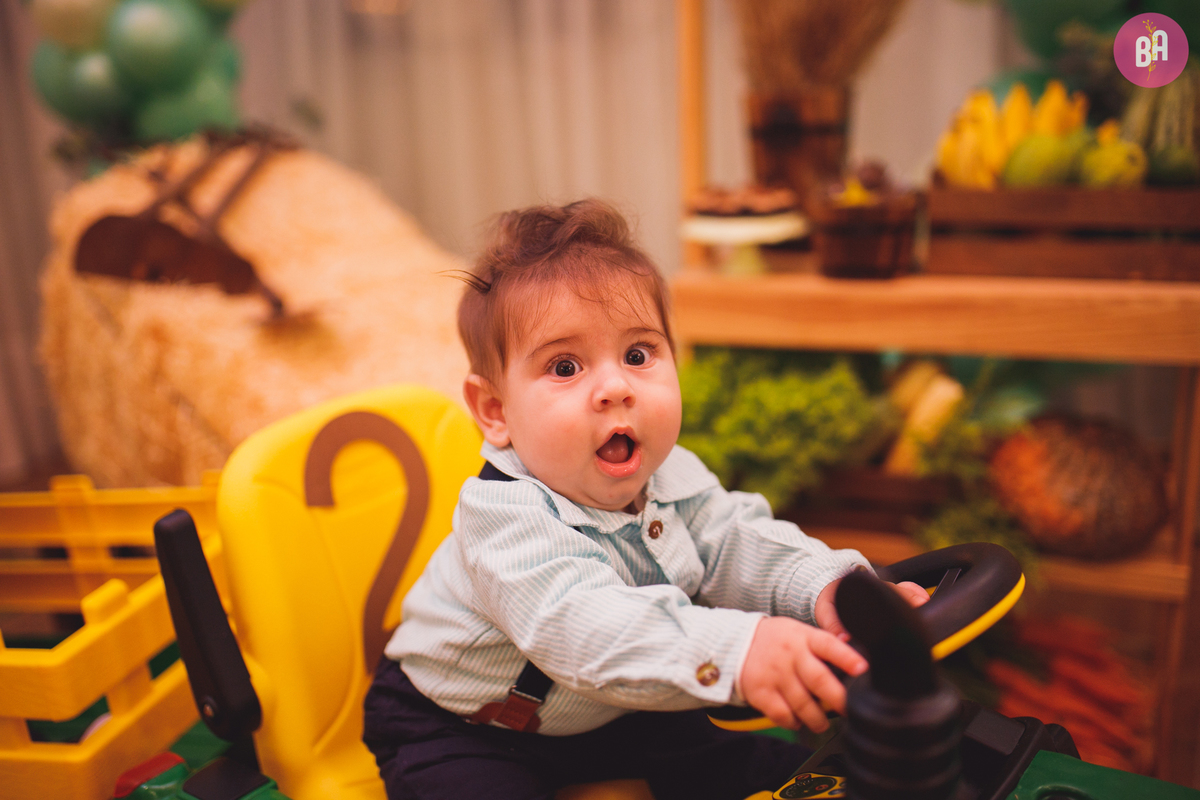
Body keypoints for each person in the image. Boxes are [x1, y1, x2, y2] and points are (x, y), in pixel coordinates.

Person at [363, 199, 927, 800]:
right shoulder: (502, 519)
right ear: (496, 411)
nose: (615, 388)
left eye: (638, 355)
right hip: (461, 725)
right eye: (565, 366)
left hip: (609, 712)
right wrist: (738, 649)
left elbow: (740, 542)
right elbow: (586, 628)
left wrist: (832, 591)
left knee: (771, 763)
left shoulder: (671, 473)